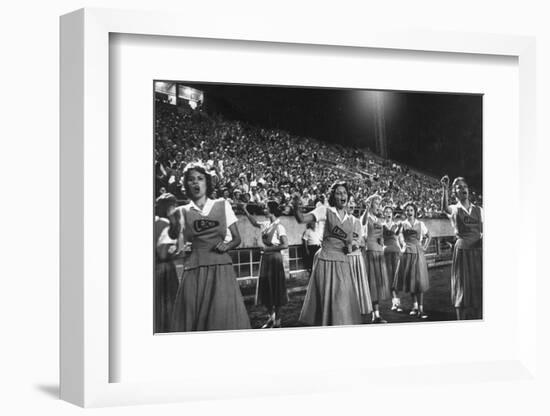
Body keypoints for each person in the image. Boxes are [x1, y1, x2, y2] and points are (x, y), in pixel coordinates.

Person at [171, 162, 250, 331]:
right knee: (193, 321)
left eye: (200, 178)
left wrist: (226, 246)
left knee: (221, 319)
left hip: (220, 268)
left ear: (207, 182)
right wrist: (181, 249)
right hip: (194, 269)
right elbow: (179, 247)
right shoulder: (182, 211)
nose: (196, 183)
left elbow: (237, 239)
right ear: (186, 185)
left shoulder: (223, 204)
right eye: (191, 179)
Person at [292, 181, 362, 326]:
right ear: (333, 196)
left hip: (343, 262)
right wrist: (296, 205)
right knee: (326, 301)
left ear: (348, 197)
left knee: (342, 300)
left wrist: (353, 246)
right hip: (325, 261)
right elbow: (301, 219)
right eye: (338, 193)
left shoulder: (351, 220)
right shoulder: (325, 210)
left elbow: (352, 244)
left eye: (344, 193)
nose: (342, 195)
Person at [240, 201, 289, 328]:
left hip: (275, 259)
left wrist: (268, 250)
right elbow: (254, 222)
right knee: (266, 289)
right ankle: (271, 317)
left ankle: (278, 320)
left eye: (266, 208)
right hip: (266, 259)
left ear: (272, 210)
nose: (264, 209)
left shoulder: (280, 227)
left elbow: (285, 245)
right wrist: (245, 210)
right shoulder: (266, 224)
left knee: (276, 289)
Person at [441, 175, 483, 320]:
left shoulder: (479, 210)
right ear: (455, 192)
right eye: (459, 187)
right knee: (462, 287)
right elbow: (444, 207)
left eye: (465, 186)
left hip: (478, 251)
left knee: (479, 286)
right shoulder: (454, 208)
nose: (463, 188)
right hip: (462, 251)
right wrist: (444, 189)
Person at [394, 202, 431, 319]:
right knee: (411, 281)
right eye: (407, 210)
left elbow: (429, 236)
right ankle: (415, 307)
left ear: (415, 212)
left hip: (418, 253)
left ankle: (421, 309)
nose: (409, 212)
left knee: (419, 281)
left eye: (411, 210)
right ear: (405, 212)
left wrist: (424, 247)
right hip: (407, 253)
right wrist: (401, 247)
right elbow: (396, 235)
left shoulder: (421, 224)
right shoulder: (403, 224)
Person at [361, 194, 391, 323]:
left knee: (378, 285)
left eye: (379, 203)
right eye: (376, 203)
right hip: (370, 252)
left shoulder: (379, 220)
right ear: (371, 204)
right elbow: (362, 222)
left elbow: (381, 235)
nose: (379, 206)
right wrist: (366, 209)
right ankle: (375, 315)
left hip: (379, 252)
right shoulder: (367, 217)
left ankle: (376, 314)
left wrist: (382, 239)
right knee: (372, 284)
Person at [154, 193, 180, 333]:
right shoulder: (166, 224)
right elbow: (163, 254)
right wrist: (176, 253)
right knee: (168, 304)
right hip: (163, 269)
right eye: (174, 206)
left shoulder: (154, 221)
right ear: (169, 208)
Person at [348, 210, 373, 318]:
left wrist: (352, 247)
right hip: (343, 257)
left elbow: (359, 241)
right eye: (350, 202)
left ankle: (357, 307)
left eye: (353, 203)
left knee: (357, 283)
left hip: (356, 257)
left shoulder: (357, 221)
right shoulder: (338, 220)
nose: (351, 205)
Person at [382, 206, 404, 312]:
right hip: (386, 253)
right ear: (384, 214)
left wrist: (403, 247)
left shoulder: (397, 225)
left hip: (396, 251)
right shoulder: (381, 226)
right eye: (386, 212)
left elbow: (400, 239)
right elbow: (379, 240)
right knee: (390, 278)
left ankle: (397, 302)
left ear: (392, 213)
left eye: (390, 212)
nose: (388, 213)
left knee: (396, 278)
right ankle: (394, 302)